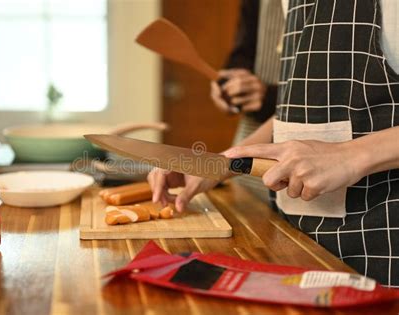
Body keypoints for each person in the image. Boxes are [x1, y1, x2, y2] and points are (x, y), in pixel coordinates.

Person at [148, 0, 399, 287]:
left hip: (384, 257)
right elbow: (295, 108)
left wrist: (350, 156)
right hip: (299, 250)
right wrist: (220, 163)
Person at [210, 0, 284, 203]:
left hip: (304, 150)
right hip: (252, 135)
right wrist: (230, 87)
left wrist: (269, 97)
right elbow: (243, 53)